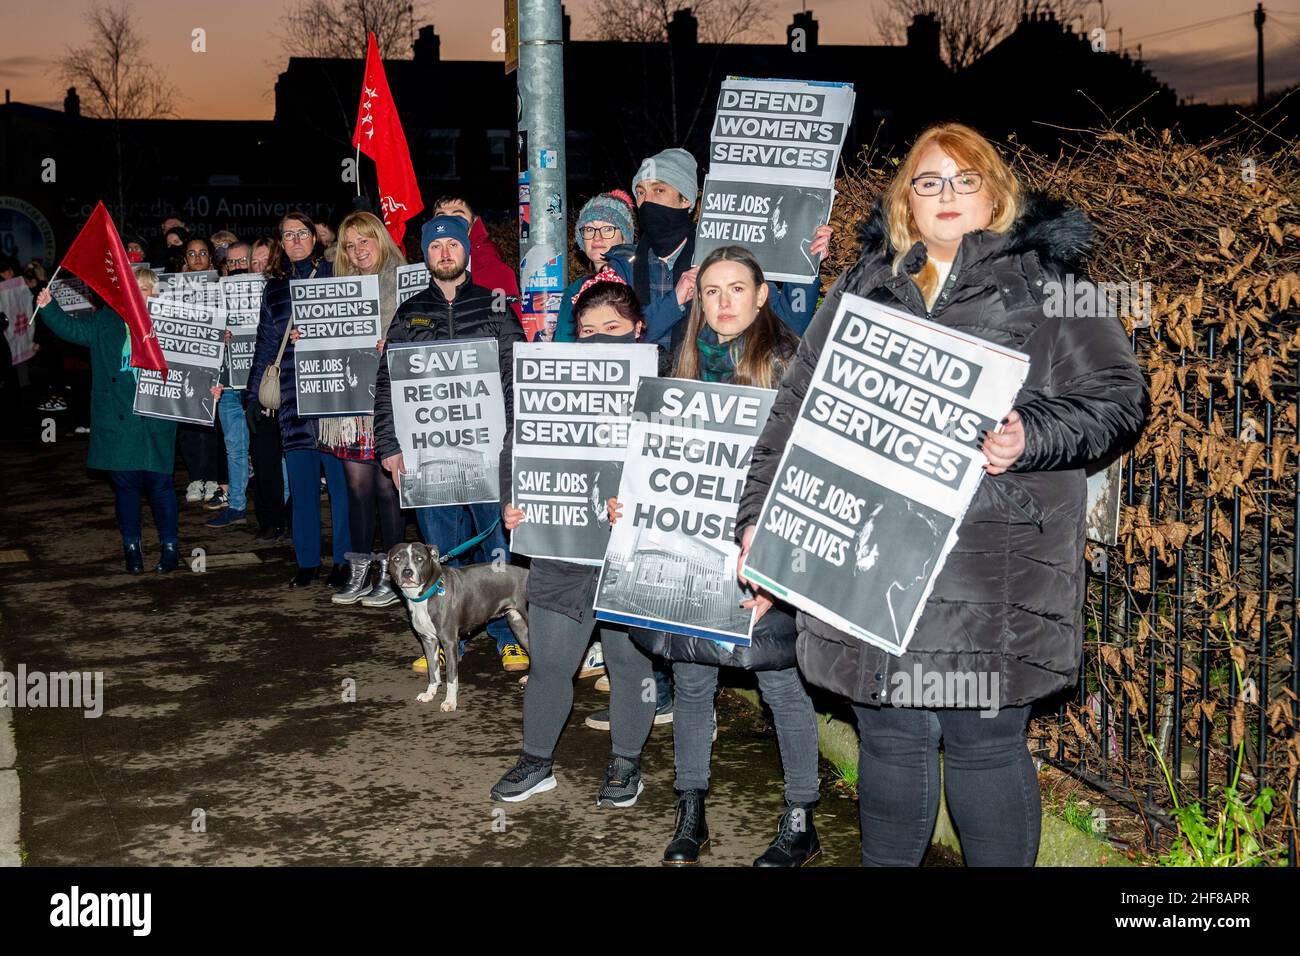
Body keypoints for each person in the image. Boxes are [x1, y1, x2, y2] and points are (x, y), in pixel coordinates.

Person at [736, 122, 1150, 867]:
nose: (946, 194)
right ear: (906, 203)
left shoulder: (1053, 286)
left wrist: (1033, 431)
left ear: (995, 195)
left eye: (964, 180)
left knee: (985, 742)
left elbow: (1118, 397)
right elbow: (794, 415)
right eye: (928, 182)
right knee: (890, 737)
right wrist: (760, 529)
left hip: (992, 566)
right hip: (868, 561)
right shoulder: (861, 287)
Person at [604, 247, 821, 866]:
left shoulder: (789, 366)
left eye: (736, 290)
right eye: (711, 292)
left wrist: (774, 566)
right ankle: (690, 810)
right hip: (690, 550)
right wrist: (631, 507)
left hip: (761, 554)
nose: (723, 303)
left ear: (761, 296)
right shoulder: (684, 362)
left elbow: (803, 474)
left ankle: (801, 816)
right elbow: (655, 464)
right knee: (693, 681)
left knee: (782, 683)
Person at [491, 278, 658, 806]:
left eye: (612, 328)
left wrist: (637, 503)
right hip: (561, 547)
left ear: (638, 331)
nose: (598, 340)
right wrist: (513, 502)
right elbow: (516, 449)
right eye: (587, 331)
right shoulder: (547, 383)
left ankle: (626, 763)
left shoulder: (663, 388)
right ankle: (537, 759)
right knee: (548, 664)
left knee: (629, 665)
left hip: (626, 555)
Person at [373, 214, 528, 673]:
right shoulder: (408, 313)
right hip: (428, 458)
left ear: (465, 251)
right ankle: (445, 642)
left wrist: (515, 443)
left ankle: (506, 633)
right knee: (438, 552)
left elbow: (516, 376)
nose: (444, 252)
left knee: (495, 552)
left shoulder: (495, 306)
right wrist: (389, 444)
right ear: (426, 255)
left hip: (488, 455)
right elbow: (388, 385)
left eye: (452, 244)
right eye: (435, 245)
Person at [602, 148, 828, 350]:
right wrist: (674, 302)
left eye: (659, 190)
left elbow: (791, 323)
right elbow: (611, 339)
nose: (647, 201)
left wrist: (804, 259)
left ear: (685, 201)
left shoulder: (722, 260)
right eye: (640, 192)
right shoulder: (622, 266)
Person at [33, 267, 181, 573]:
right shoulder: (105, 321)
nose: (142, 294)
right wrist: (49, 306)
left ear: (156, 293)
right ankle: (132, 548)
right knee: (126, 488)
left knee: (161, 486)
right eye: (136, 288)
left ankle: (170, 547)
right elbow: (71, 330)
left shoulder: (170, 324)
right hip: (118, 422)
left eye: (148, 288)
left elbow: (196, 364)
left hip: (155, 421)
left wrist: (210, 389)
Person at [244, 211, 352, 589]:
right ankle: (307, 563)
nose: (294, 241)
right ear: (280, 242)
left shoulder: (334, 273)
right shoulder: (273, 288)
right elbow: (264, 345)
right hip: (291, 398)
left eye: (301, 233)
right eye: (287, 235)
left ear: (315, 237)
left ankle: (343, 562)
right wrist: (253, 395)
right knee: (303, 487)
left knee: (339, 486)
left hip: (333, 393)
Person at [305, 211, 406, 607]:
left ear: (380, 239)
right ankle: (361, 566)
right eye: (349, 245)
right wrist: (306, 336)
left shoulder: (405, 280)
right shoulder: (337, 286)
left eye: (365, 240)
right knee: (356, 488)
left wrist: (394, 342)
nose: (358, 250)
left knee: (387, 486)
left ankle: (393, 572)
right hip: (348, 407)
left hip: (387, 403)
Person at [552, 190, 637, 343]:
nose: (597, 238)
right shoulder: (575, 290)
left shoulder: (639, 280)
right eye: (590, 229)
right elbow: (563, 346)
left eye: (608, 229)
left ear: (625, 236)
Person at [430, 196, 524, 328]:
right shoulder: (429, 264)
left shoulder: (494, 268)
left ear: (474, 221)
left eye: (458, 216)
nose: (449, 222)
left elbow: (509, 330)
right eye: (441, 217)